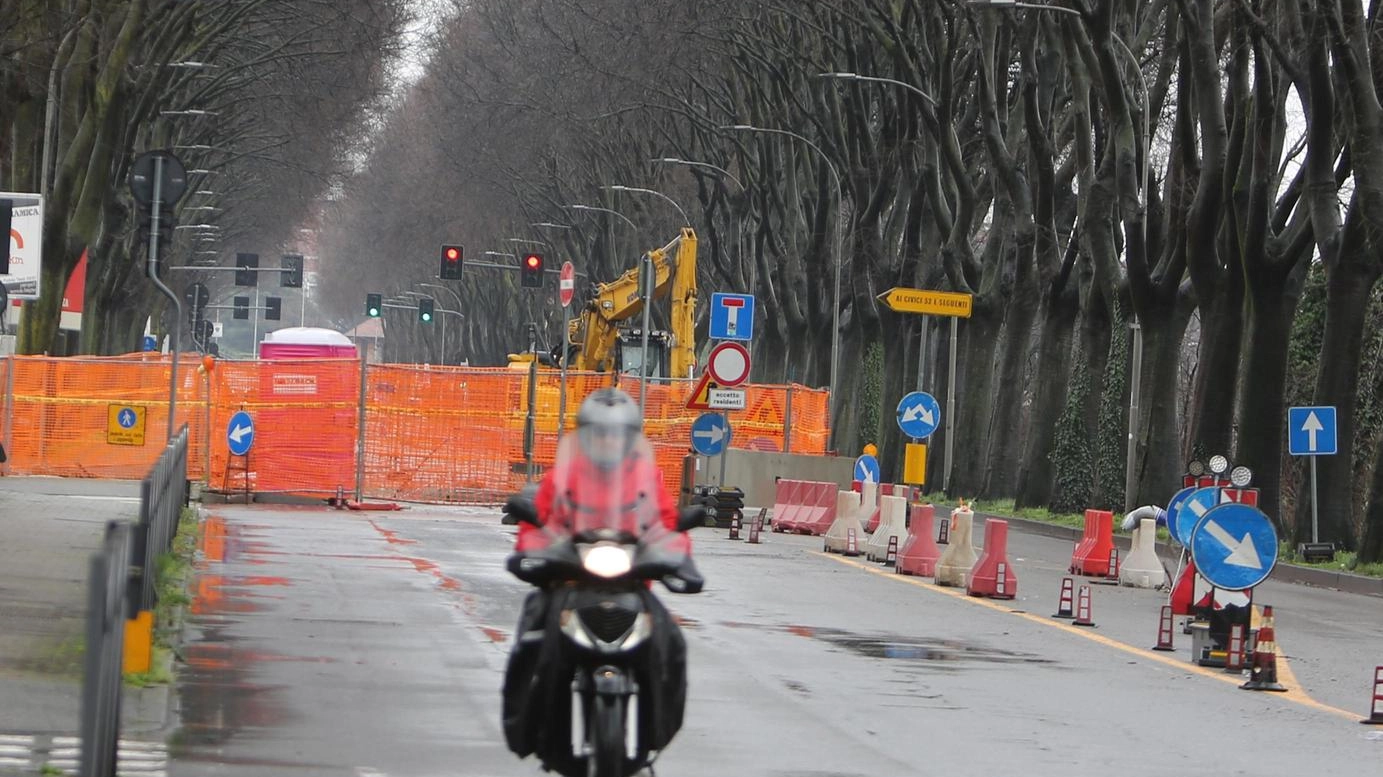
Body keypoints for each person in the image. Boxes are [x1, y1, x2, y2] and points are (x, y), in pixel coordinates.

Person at [501, 388, 699, 770]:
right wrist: (531, 552)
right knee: (534, 638)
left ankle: (655, 732)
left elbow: (667, 524)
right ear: (585, 435)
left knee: (671, 643)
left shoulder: (646, 477)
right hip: (571, 581)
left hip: (631, 583)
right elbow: (538, 520)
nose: (609, 440)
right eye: (600, 432)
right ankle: (533, 731)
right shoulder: (565, 475)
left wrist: (679, 558)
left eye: (618, 433)